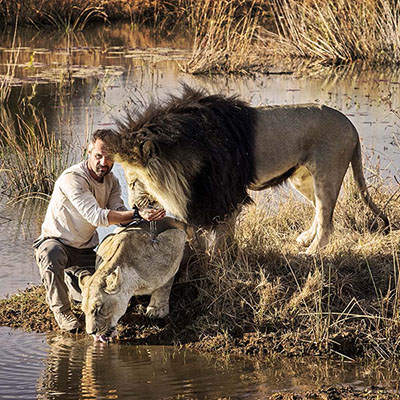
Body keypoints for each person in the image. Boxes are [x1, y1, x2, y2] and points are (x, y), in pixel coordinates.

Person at [33, 129, 165, 333]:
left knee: (100, 291)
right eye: (98, 156)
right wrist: (137, 214)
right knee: (51, 255)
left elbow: (119, 214)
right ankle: (62, 311)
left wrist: (145, 211)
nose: (104, 162)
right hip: (56, 242)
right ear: (88, 151)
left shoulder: (112, 181)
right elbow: (97, 216)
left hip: (85, 250)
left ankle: (71, 282)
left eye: (109, 158)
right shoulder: (73, 178)